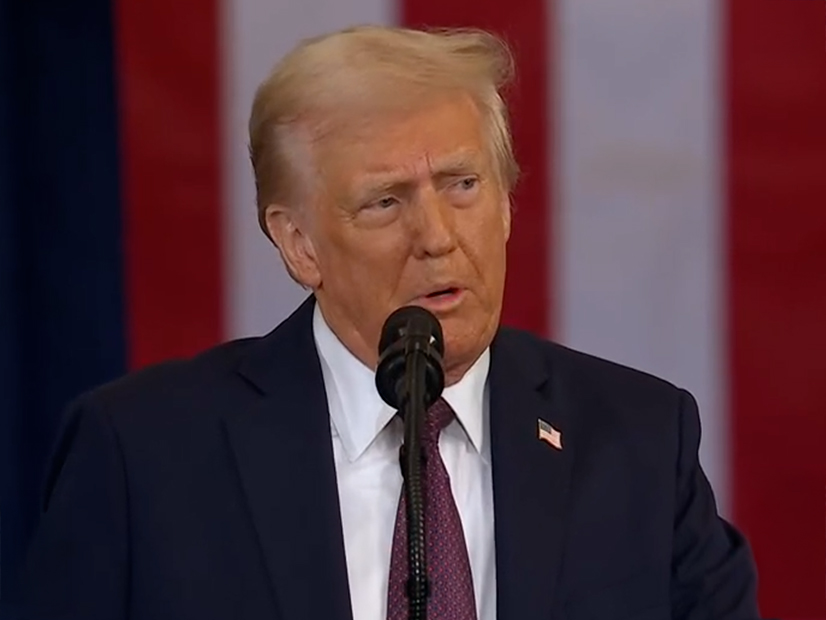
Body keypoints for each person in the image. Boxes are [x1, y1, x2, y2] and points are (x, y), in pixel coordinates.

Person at [13, 25, 760, 620]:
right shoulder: (141, 454)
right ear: (299, 244)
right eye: (385, 201)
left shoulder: (639, 439)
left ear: (505, 204)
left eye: (463, 185)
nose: (437, 235)